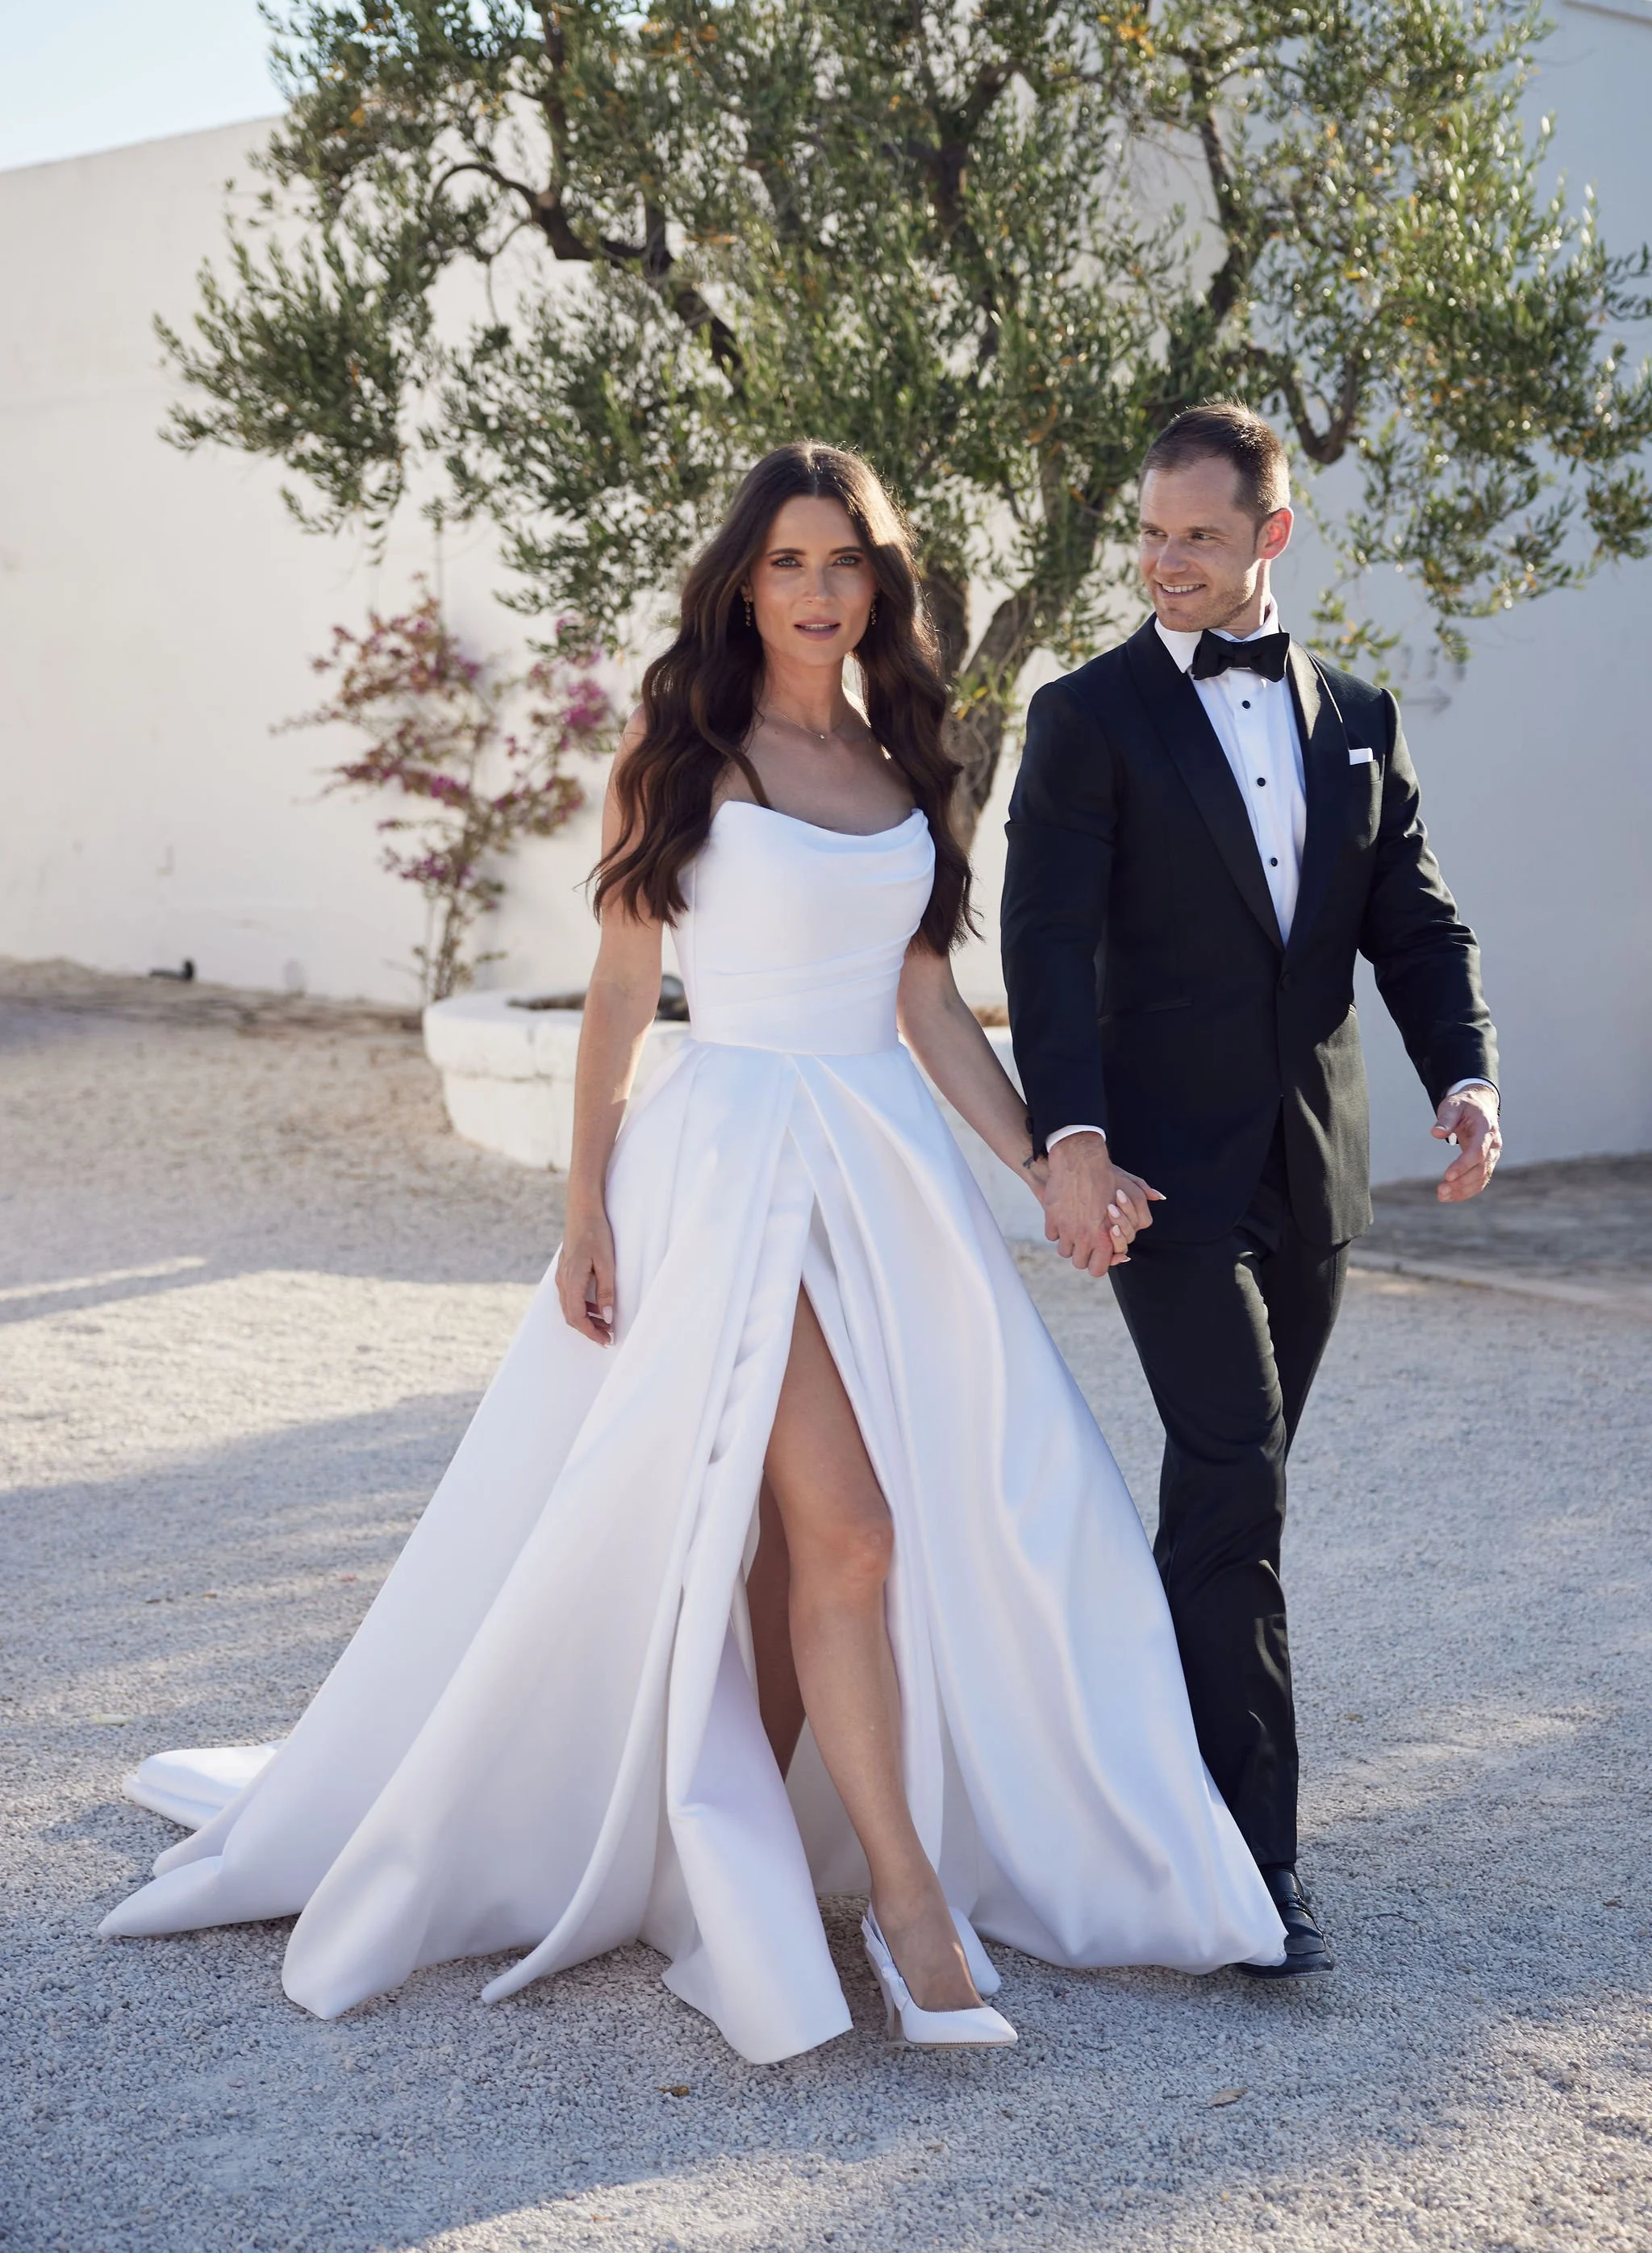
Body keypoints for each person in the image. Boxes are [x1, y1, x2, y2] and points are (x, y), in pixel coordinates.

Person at [102, 442, 1284, 2061]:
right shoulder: (683, 753)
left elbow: (925, 1000)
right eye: (787, 561)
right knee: (852, 1528)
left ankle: (731, 1845)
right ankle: (909, 1906)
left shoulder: (905, 758)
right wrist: (584, 1206)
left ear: (879, 584)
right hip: (730, 1172)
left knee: (845, 1541)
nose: (817, 589)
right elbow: (618, 989)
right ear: (743, 581)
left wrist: (1039, 1162)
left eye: (844, 562)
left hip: (882, 1179)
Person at [1001, 402, 1501, 1976]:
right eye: (1151, 533)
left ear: (1270, 535)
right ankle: (1249, 1868)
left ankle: (1133, 1784)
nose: (1165, 561)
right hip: (1159, 1179)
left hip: (1315, 1170)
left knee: (1228, 1490)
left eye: (1199, 537)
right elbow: (1042, 944)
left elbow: (1413, 922)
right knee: (1237, 1474)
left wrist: (1465, 1074)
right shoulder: (1085, 716)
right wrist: (1070, 1141)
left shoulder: (1358, 715)